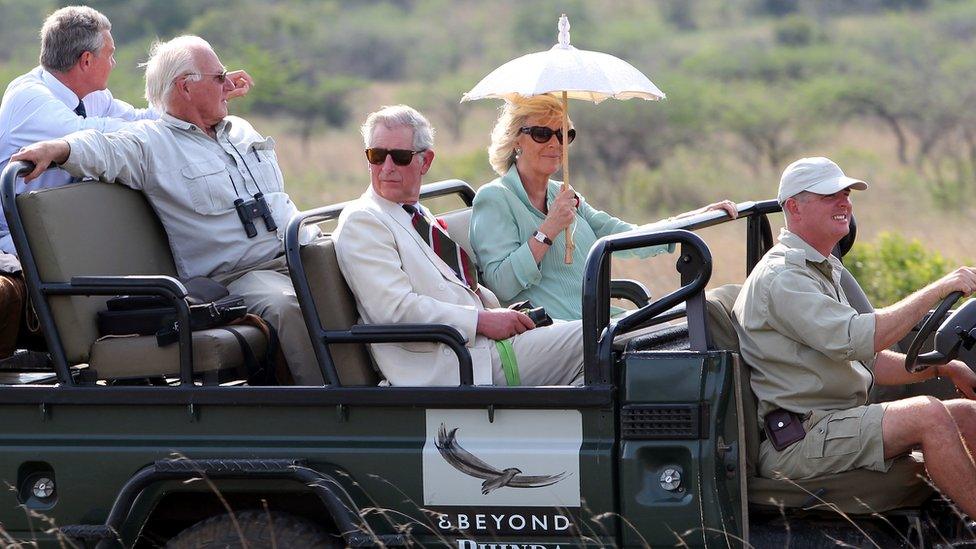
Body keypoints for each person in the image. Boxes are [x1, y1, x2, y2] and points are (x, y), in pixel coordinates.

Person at [10, 35, 320, 385]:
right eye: (219, 77)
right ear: (185, 88)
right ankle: (331, 413)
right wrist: (57, 148)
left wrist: (215, 86)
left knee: (363, 266)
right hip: (242, 273)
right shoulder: (153, 143)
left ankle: (388, 390)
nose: (230, 83)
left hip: (300, 249)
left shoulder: (241, 130)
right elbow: (102, 148)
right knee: (289, 306)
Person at [0, 6, 252, 358]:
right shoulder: (28, 99)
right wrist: (157, 133)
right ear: (87, 61)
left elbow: (141, 119)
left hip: (70, 240)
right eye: (110, 54)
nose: (115, 63)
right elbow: (91, 137)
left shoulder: (92, 98)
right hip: (19, 244)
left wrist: (207, 94)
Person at [732, 156, 976, 517]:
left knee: (968, 416)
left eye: (846, 194)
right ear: (795, 207)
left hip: (832, 423)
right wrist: (938, 289)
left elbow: (867, 360)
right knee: (929, 416)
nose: (844, 202)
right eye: (830, 195)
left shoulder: (820, 266)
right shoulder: (783, 277)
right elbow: (858, 338)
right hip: (800, 439)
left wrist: (943, 369)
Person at [333, 105, 584, 387]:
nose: (387, 167)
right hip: (456, 362)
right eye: (377, 156)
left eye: (400, 157)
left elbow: (457, 286)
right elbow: (394, 310)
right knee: (597, 341)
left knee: (615, 344)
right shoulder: (363, 221)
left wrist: (498, 314)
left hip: (482, 346)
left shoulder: (414, 214)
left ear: (425, 162)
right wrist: (480, 321)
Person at [469, 95, 738, 320]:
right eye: (542, 134)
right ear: (516, 139)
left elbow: (627, 236)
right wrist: (549, 229)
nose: (555, 143)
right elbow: (500, 284)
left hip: (602, 322)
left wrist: (690, 218)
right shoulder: (495, 198)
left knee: (713, 310)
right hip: (556, 331)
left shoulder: (564, 195)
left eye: (564, 134)